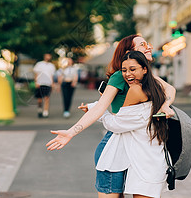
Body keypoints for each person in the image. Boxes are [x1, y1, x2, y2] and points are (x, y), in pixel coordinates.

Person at [46, 35, 176, 198]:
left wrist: (165, 105)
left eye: (147, 44)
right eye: (143, 45)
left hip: (136, 145)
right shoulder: (122, 76)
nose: (148, 47)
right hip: (116, 142)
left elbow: (170, 89)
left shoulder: (147, 77)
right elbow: (101, 107)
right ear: (130, 52)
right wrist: (71, 132)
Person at [89, 51, 168, 198]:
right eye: (124, 70)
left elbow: (117, 123)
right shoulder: (157, 88)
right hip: (154, 158)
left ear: (145, 69)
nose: (127, 74)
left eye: (133, 69)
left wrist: (95, 108)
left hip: (143, 164)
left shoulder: (136, 90)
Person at [33, 53, 56, 118]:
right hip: (40, 83)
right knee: (39, 99)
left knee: (47, 98)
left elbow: (52, 75)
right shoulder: (39, 64)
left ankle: (45, 112)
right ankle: (40, 110)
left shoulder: (52, 66)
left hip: (48, 83)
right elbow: (36, 74)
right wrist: (36, 82)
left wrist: (52, 83)